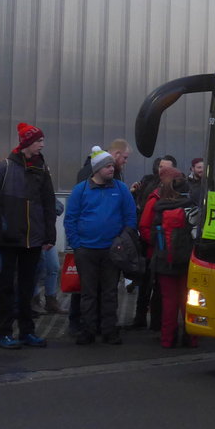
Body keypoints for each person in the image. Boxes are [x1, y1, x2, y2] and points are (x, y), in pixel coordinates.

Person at [0, 123, 57, 349]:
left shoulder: (41, 168)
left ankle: (27, 331)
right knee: (6, 287)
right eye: (39, 141)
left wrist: (50, 234)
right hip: (10, 238)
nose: (43, 145)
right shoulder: (6, 167)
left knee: (28, 288)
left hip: (34, 238)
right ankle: (3, 332)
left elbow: (48, 201)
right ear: (27, 143)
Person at [64, 146, 136, 345]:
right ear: (96, 169)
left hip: (112, 251)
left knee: (110, 292)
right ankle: (88, 330)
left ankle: (109, 330)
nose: (112, 169)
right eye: (107, 166)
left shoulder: (121, 189)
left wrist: (121, 240)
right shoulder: (81, 190)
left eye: (112, 166)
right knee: (88, 293)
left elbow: (130, 217)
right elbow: (70, 220)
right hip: (86, 250)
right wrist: (77, 246)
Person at [139, 166, 197, 348]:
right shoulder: (191, 207)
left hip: (164, 261)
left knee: (169, 301)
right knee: (188, 301)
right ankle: (191, 338)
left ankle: (167, 339)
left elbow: (147, 229)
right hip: (187, 261)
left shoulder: (158, 206)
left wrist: (158, 248)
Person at [128, 154, 175, 331]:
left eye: (167, 167)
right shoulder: (150, 187)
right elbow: (144, 218)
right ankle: (140, 317)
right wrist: (152, 240)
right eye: (161, 166)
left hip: (165, 248)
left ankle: (158, 322)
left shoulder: (177, 191)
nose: (162, 170)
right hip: (150, 245)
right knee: (145, 283)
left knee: (160, 288)